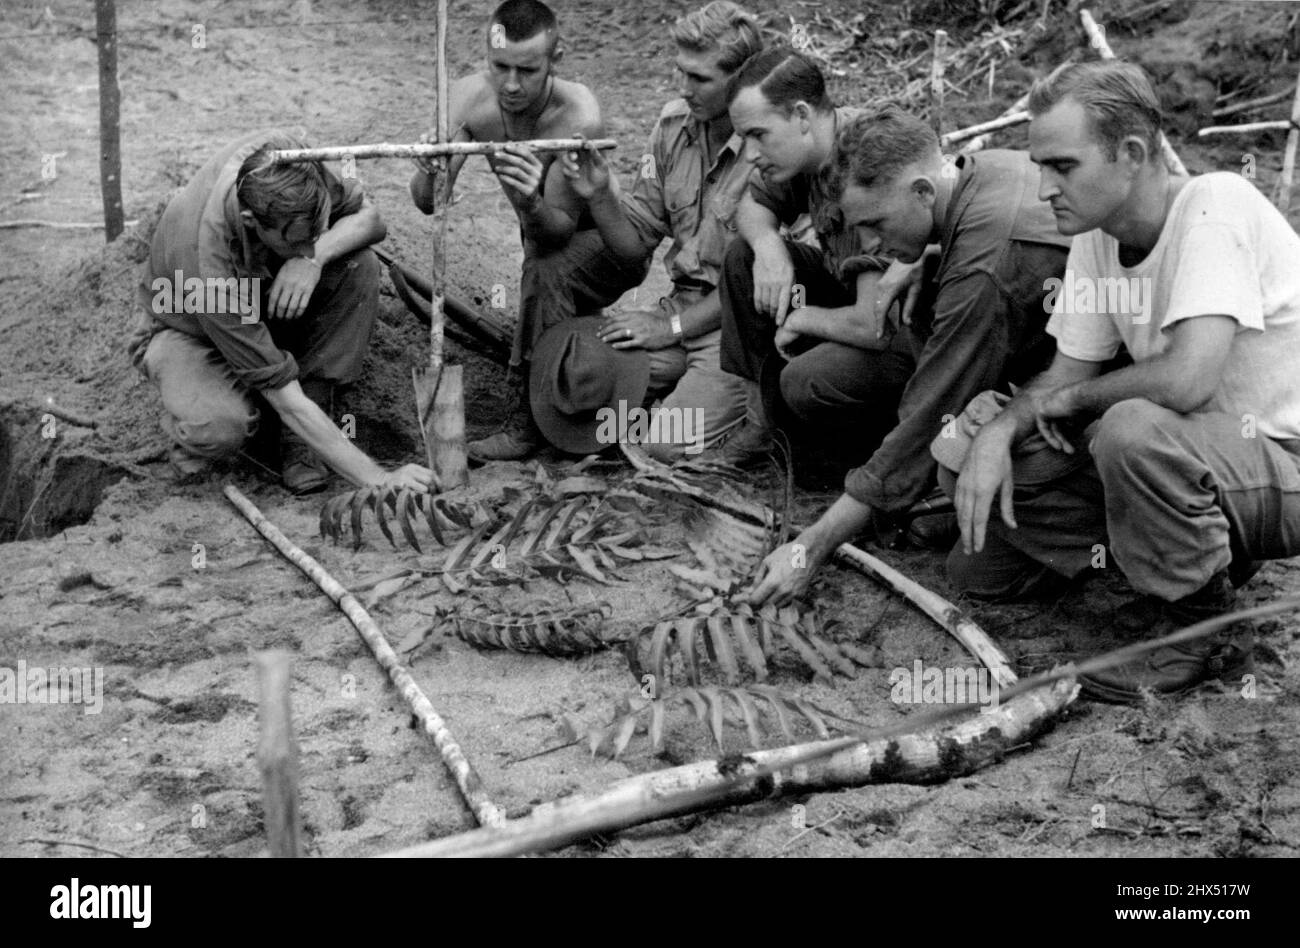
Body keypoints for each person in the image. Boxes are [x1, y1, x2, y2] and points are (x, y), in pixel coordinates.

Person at [941, 60, 1300, 702]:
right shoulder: (1099, 237)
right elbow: (1063, 374)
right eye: (1040, 166)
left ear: (1131, 153)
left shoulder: (1216, 206)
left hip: (1283, 464)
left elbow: (1186, 381)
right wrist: (997, 431)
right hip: (1199, 463)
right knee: (971, 528)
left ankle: (1203, 629)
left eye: (1063, 166)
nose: (1045, 187)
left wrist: (1072, 402)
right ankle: (1176, 556)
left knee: (1128, 427)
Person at [743, 104, 1070, 606]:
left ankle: (1090, 537)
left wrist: (812, 545)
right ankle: (921, 493)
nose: (870, 244)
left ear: (922, 192)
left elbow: (925, 425)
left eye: (875, 224)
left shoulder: (983, 271)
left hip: (1086, 397)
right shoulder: (976, 174)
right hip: (1042, 359)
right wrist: (930, 255)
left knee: (974, 573)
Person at [481, 0, 765, 462]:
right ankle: (545, 415)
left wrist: (666, 327)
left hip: (734, 329)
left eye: (700, 79)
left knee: (663, 443)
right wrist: (599, 196)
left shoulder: (766, 149)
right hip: (682, 307)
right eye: (680, 73)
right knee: (584, 380)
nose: (683, 89)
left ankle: (732, 416)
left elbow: (749, 287)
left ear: (742, 79)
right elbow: (634, 247)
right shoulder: (675, 125)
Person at [127, 131, 433, 496]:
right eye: (296, 241)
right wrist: (379, 479)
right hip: (186, 323)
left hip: (257, 295)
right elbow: (286, 399)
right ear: (251, 220)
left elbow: (371, 221)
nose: (306, 248)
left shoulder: (300, 163)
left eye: (314, 233)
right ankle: (203, 430)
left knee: (358, 265)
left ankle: (301, 439)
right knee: (222, 426)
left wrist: (314, 257)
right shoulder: (208, 266)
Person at [406, 0, 609, 460]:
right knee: (543, 274)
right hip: (539, 228)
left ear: (555, 61)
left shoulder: (577, 115)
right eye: (500, 67)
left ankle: (533, 422)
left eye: (528, 70)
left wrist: (530, 201)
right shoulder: (466, 98)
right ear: (485, 55)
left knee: (544, 266)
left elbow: (557, 233)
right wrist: (429, 169)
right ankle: (569, 385)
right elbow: (427, 202)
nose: (511, 85)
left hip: (604, 241)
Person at [717, 48, 897, 467]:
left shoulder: (866, 160)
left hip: (902, 331)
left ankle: (866, 449)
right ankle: (763, 424)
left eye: (759, 135)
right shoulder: (805, 152)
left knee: (807, 385)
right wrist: (768, 249)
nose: (750, 154)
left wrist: (802, 318)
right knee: (743, 257)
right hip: (854, 298)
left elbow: (875, 325)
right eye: (744, 138)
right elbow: (751, 208)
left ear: (801, 116)